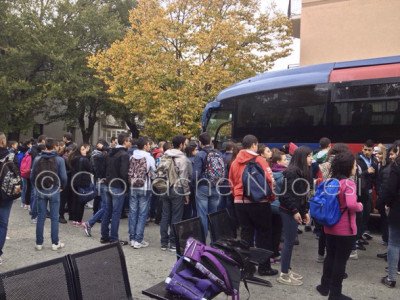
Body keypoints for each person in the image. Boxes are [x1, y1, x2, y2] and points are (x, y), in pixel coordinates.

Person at [229, 135, 277, 276]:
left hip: (239, 201)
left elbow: (230, 182)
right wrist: (271, 197)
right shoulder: (260, 160)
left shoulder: (235, 162)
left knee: (246, 234)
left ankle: (247, 268)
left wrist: (237, 196)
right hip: (259, 202)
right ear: (255, 145)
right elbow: (270, 180)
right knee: (264, 234)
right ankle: (264, 267)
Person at [316, 152, 363, 299]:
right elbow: (351, 204)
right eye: (355, 165)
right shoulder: (349, 183)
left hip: (329, 227)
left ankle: (324, 286)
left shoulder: (330, 182)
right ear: (348, 167)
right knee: (340, 261)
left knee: (330, 257)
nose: (356, 168)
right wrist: (360, 206)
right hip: (345, 230)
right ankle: (335, 294)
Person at [277, 146, 313, 285]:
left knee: (290, 242)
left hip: (294, 210)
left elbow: (303, 196)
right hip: (288, 211)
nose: (312, 159)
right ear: (302, 158)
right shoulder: (292, 172)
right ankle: (284, 274)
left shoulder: (302, 171)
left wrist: (304, 212)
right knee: (288, 242)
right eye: (309, 156)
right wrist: (295, 211)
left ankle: (287, 269)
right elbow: (287, 195)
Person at [30, 138, 67, 251]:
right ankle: (55, 243)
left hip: (41, 189)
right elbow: (64, 177)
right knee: (54, 217)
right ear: (55, 146)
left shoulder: (37, 158)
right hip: (54, 189)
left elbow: (32, 176)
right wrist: (62, 187)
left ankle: (39, 243)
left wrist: (36, 187)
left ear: (45, 146)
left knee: (41, 216)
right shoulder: (59, 160)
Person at [160, 135, 192, 251]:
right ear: (181, 145)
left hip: (164, 187)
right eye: (185, 143)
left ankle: (163, 242)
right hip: (177, 188)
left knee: (165, 215)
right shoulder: (182, 158)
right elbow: (184, 179)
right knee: (176, 216)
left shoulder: (165, 155)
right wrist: (186, 194)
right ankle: (173, 243)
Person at [101, 133, 131, 245]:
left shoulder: (110, 152)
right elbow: (124, 173)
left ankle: (104, 236)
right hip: (117, 186)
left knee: (107, 210)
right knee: (116, 213)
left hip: (108, 183)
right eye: (129, 141)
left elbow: (105, 168)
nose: (130, 143)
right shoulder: (124, 155)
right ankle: (114, 238)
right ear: (125, 141)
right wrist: (126, 187)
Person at [193, 132, 224, 235]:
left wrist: (194, 186)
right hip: (216, 186)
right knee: (213, 214)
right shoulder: (218, 153)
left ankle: (203, 240)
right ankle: (215, 241)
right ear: (210, 141)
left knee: (202, 214)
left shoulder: (200, 155)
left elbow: (195, 175)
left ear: (200, 142)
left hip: (203, 187)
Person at [128, 136, 155, 249]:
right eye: (149, 144)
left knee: (133, 212)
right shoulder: (149, 157)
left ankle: (132, 238)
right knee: (142, 214)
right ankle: (138, 240)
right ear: (145, 146)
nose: (150, 146)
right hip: (145, 187)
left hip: (133, 186)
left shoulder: (132, 157)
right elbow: (154, 173)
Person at [0, 133, 21, 263]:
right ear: (4, 141)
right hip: (6, 193)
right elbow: (17, 175)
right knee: (2, 223)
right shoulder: (11, 156)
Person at [381, 142, 400, 288]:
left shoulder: (397, 165)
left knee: (394, 242)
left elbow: (391, 189)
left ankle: (391, 278)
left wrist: (386, 203)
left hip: (398, 209)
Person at [82, 139, 109, 237]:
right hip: (102, 181)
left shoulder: (95, 155)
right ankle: (89, 223)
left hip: (99, 180)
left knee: (104, 205)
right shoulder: (99, 156)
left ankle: (94, 224)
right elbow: (99, 169)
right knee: (106, 206)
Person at [356, 140, 378, 248]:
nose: (367, 152)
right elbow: (356, 176)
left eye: (369, 150)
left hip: (369, 190)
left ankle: (360, 235)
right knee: (359, 216)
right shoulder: (358, 159)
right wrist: (366, 172)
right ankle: (357, 239)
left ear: (373, 150)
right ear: (362, 148)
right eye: (365, 149)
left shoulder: (374, 159)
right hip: (360, 191)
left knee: (366, 215)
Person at [68, 143, 93, 226]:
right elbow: (90, 169)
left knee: (74, 200)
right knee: (81, 202)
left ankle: (74, 219)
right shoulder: (84, 159)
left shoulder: (73, 159)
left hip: (74, 181)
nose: (84, 151)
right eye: (82, 149)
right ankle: (78, 220)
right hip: (82, 181)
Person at [270, 150, 288, 261]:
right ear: (278, 161)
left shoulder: (269, 171)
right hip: (279, 205)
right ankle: (275, 253)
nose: (287, 161)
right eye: (285, 159)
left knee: (271, 230)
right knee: (277, 230)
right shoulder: (284, 174)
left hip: (269, 204)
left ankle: (272, 252)